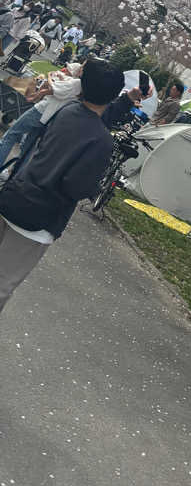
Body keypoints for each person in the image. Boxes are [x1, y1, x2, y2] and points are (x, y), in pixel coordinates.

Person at [0, 59, 124, 315]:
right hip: (39, 219)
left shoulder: (66, 112)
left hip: (13, 196)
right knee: (4, 281)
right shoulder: (101, 141)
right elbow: (75, 187)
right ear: (113, 97)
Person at [0, 63, 83, 169]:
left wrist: (49, 76)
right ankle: (15, 174)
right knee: (28, 148)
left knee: (11, 135)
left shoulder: (76, 83)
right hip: (49, 118)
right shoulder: (77, 85)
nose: (65, 69)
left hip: (42, 110)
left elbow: (53, 88)